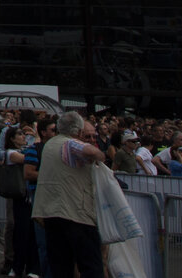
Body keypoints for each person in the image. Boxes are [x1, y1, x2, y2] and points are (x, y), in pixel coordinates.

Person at [31, 112, 106, 278]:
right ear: (79, 132)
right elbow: (92, 152)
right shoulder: (70, 144)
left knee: (60, 266)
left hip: (50, 213)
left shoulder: (50, 144)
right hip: (75, 213)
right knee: (91, 265)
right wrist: (100, 157)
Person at [0, 126, 35, 278]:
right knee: (20, 231)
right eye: (20, 134)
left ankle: (31, 267)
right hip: (20, 196)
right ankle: (16, 265)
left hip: (29, 196)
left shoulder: (25, 149)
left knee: (31, 232)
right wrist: (36, 138)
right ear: (12, 138)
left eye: (24, 134)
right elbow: (29, 159)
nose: (23, 136)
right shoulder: (11, 153)